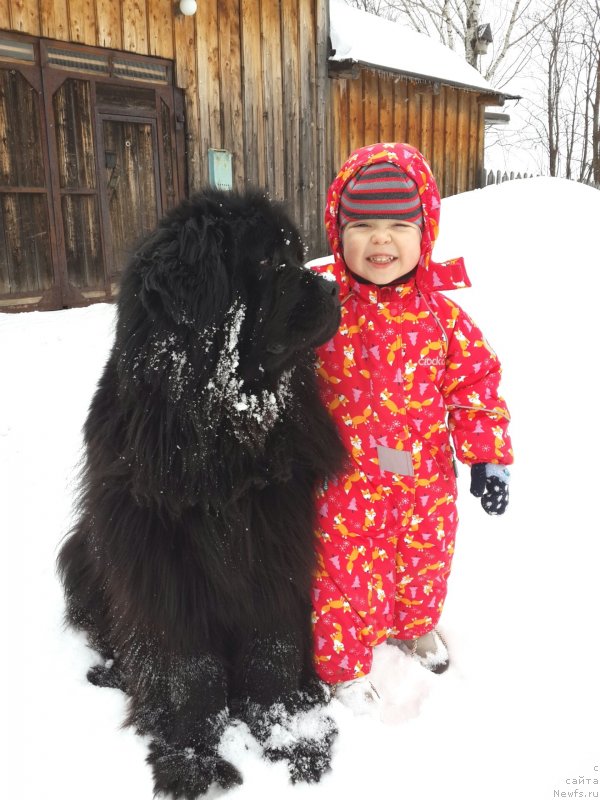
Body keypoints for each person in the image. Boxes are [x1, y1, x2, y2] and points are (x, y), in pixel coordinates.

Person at [309, 142, 513, 709]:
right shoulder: (322, 309)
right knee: (341, 575)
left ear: (425, 234)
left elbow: (476, 386)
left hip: (424, 481)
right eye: (363, 226)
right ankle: (343, 665)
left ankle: (414, 624)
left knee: (425, 560)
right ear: (337, 233)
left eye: (399, 225)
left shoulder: (442, 318)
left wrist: (487, 454)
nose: (381, 240)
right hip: (344, 480)